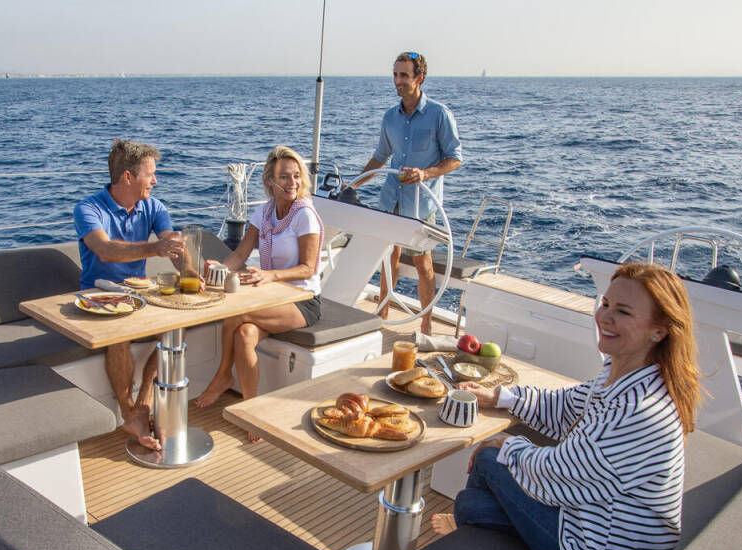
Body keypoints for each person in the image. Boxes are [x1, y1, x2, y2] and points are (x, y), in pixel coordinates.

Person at [432, 262, 702, 550]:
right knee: (470, 503)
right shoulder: (628, 375)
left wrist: (504, 446)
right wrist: (499, 397)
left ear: (658, 331)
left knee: (487, 462)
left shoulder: (638, 409)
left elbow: (559, 475)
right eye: (606, 304)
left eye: (623, 311)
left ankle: (466, 549)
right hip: (596, 519)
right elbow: (566, 406)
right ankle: (467, 525)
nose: (605, 317)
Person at [194, 146, 323, 439]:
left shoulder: (305, 214)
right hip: (271, 297)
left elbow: (308, 268)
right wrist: (221, 268)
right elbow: (240, 254)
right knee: (244, 335)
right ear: (270, 181)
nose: (292, 182)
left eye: (296, 176)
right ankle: (251, 411)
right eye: (285, 177)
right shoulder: (263, 212)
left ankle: (223, 376)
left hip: (302, 301)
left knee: (237, 312)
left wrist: (270, 275)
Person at [74, 139, 185, 451]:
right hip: (97, 296)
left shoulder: (154, 207)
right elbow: (105, 250)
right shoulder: (88, 208)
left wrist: (189, 271)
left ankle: (144, 403)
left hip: (140, 293)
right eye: (150, 174)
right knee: (119, 335)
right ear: (127, 177)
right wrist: (155, 248)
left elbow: (173, 245)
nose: (155, 180)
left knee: (175, 328)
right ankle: (128, 412)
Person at [352, 51, 462, 335]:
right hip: (391, 199)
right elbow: (380, 157)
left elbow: (455, 158)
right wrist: (351, 186)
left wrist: (425, 173)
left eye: (404, 75)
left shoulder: (439, 114)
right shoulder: (390, 117)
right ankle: (382, 313)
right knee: (388, 257)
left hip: (421, 204)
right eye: (395, 74)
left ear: (419, 78)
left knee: (422, 263)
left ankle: (426, 325)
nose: (398, 81)